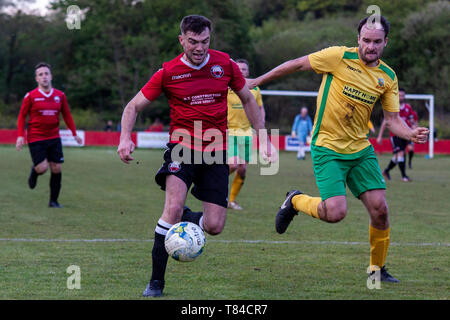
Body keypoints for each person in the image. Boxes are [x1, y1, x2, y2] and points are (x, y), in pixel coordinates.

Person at [248, 15, 429, 283]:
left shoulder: (388, 76)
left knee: (380, 210)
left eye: (377, 42)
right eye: (366, 40)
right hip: (328, 147)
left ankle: (376, 270)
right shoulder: (337, 56)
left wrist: (410, 133)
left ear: (385, 43)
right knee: (335, 213)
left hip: (360, 150)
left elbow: (392, 121)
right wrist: (257, 81)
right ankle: (295, 201)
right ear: (358, 39)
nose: (371, 46)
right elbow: (297, 64)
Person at [117, 15, 272, 297]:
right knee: (172, 209)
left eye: (205, 41)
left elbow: (248, 99)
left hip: (216, 151)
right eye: (193, 42)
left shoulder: (225, 64)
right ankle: (156, 282)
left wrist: (262, 137)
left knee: (214, 226)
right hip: (182, 147)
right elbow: (133, 106)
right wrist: (125, 137)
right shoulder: (168, 71)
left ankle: (186, 216)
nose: (199, 48)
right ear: (182, 40)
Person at [16, 62, 82, 208]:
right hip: (36, 137)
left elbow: (67, 115)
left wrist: (74, 133)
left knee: (57, 168)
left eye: (46, 73)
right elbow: (22, 116)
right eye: (41, 74)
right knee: (42, 168)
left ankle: (53, 201)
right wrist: (20, 135)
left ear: (51, 76)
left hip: (54, 137)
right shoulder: (30, 96)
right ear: (36, 79)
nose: (44, 77)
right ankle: (35, 171)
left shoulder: (60, 95)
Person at [227, 58, 265, 210]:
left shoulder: (255, 89)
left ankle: (231, 201)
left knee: (242, 169)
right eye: (238, 68)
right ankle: (216, 190)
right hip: (229, 132)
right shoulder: (226, 87)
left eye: (244, 69)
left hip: (247, 133)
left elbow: (260, 108)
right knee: (233, 164)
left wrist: (261, 124)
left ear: (248, 72)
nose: (241, 71)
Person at [377, 88, 417, 181]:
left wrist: (414, 129)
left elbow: (412, 120)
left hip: (404, 134)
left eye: (402, 95)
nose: (401, 97)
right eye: (399, 95)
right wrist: (380, 136)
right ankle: (404, 176)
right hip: (395, 135)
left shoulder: (408, 107)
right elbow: (385, 121)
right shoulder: (392, 107)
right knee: (401, 153)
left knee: (397, 157)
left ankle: (386, 171)